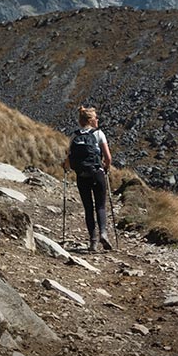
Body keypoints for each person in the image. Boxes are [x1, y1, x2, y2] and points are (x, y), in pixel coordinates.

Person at [64, 105, 113, 252]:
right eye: (96, 117)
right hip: (97, 173)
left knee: (88, 208)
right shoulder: (99, 134)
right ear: (91, 120)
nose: (97, 120)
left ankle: (92, 242)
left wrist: (66, 168)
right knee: (100, 206)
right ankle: (103, 234)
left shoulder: (74, 135)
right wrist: (106, 167)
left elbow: (68, 158)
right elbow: (108, 157)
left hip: (81, 175)